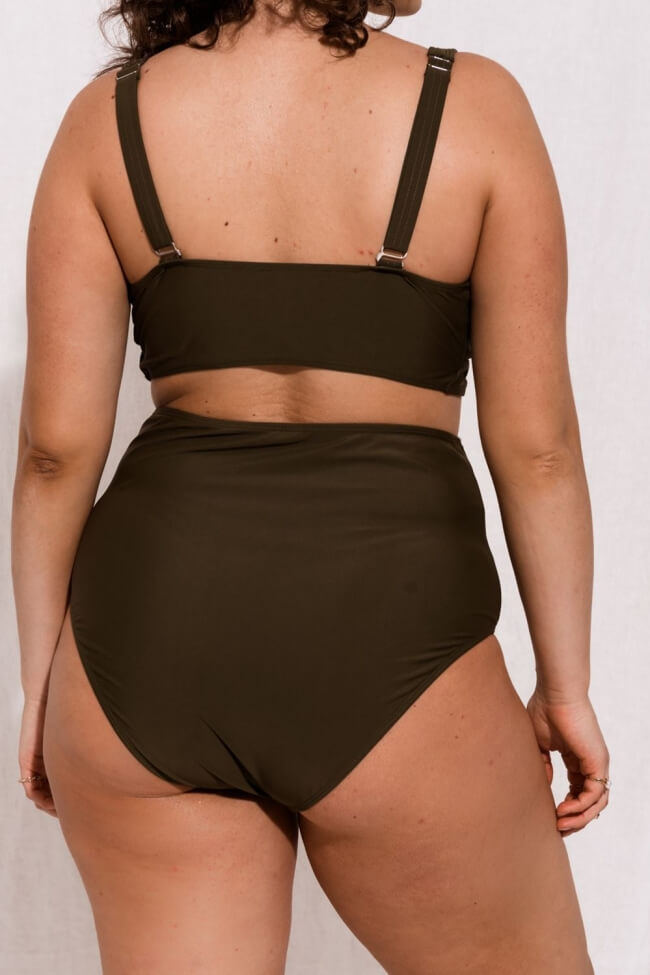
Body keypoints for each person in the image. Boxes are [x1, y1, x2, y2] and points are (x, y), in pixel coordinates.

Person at [12, 0, 610, 970]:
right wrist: (565, 685)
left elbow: (53, 451)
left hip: (146, 642)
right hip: (390, 627)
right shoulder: (473, 106)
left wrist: (42, 682)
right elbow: (536, 448)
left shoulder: (109, 116)